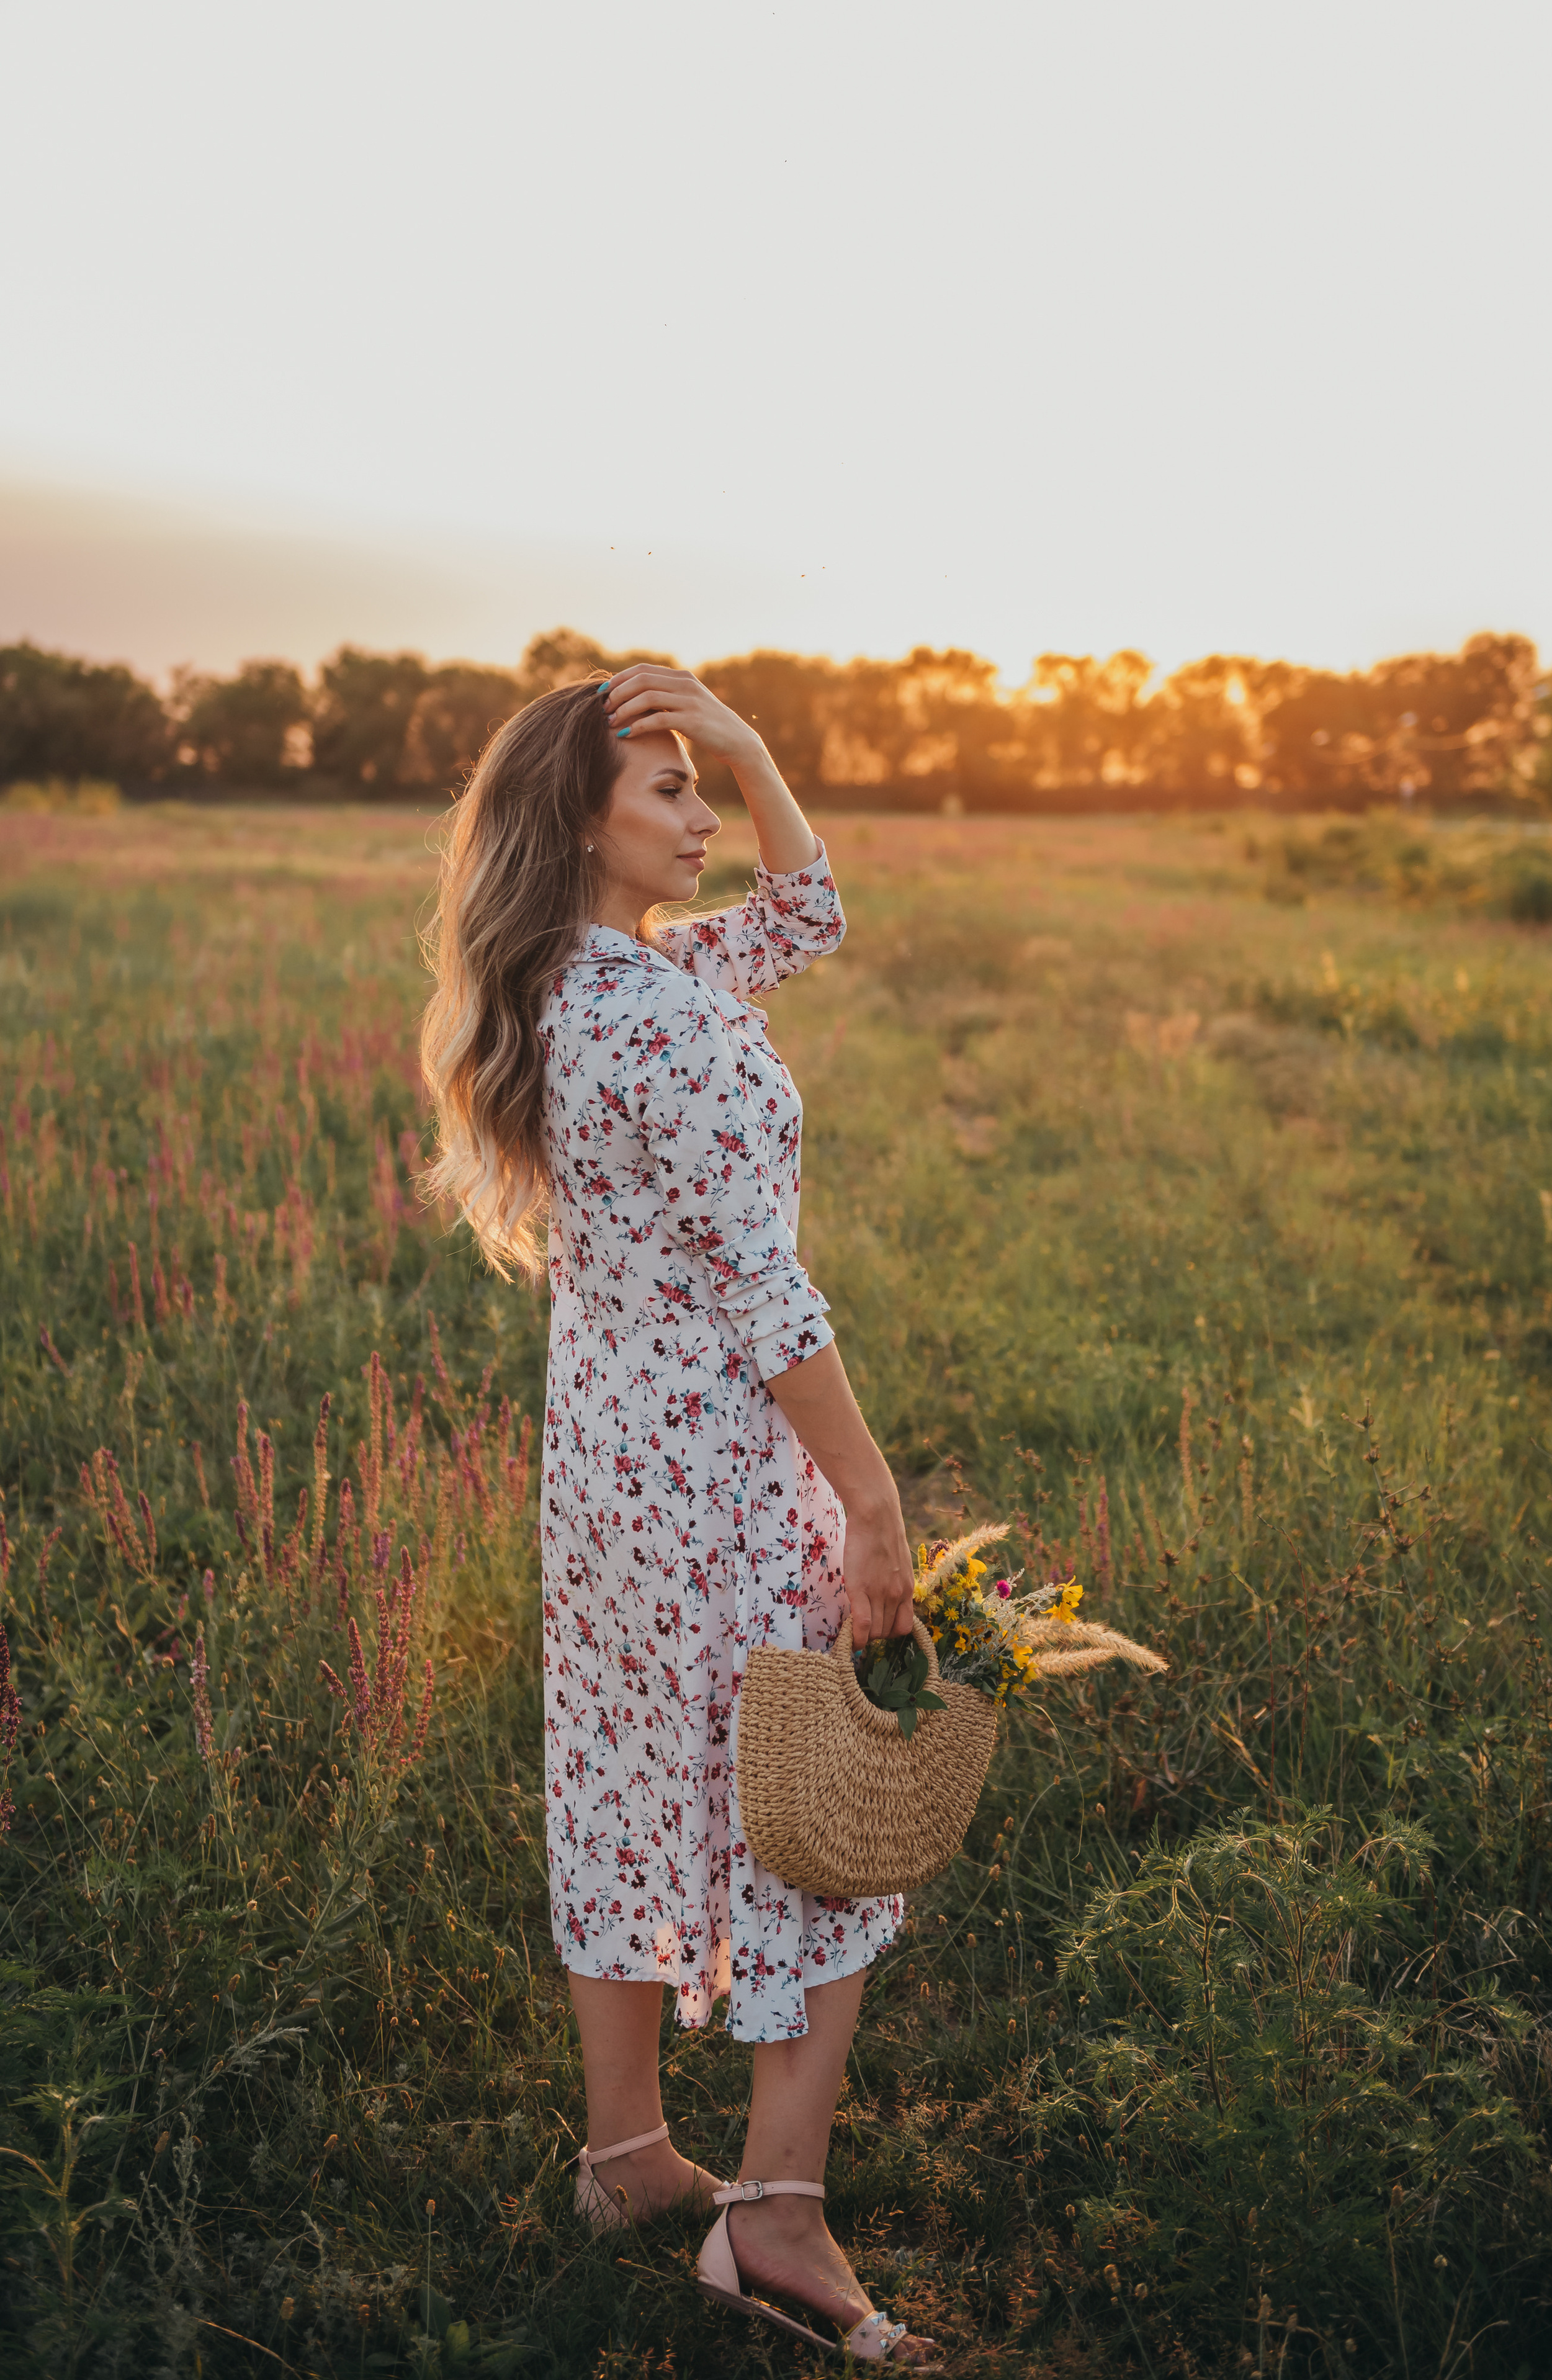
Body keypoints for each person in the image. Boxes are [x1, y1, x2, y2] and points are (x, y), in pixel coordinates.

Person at [420, 667, 939, 2365]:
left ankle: (630, 2157)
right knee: (823, 1811)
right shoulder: (649, 1010)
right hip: (714, 1477)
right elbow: (768, 1297)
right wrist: (869, 1502)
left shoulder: (596, 981)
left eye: (700, 788)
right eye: (668, 791)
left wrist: (742, 738)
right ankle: (774, 2221)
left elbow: (814, 909)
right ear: (583, 819)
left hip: (609, 1482)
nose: (706, 817)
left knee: (630, 1778)